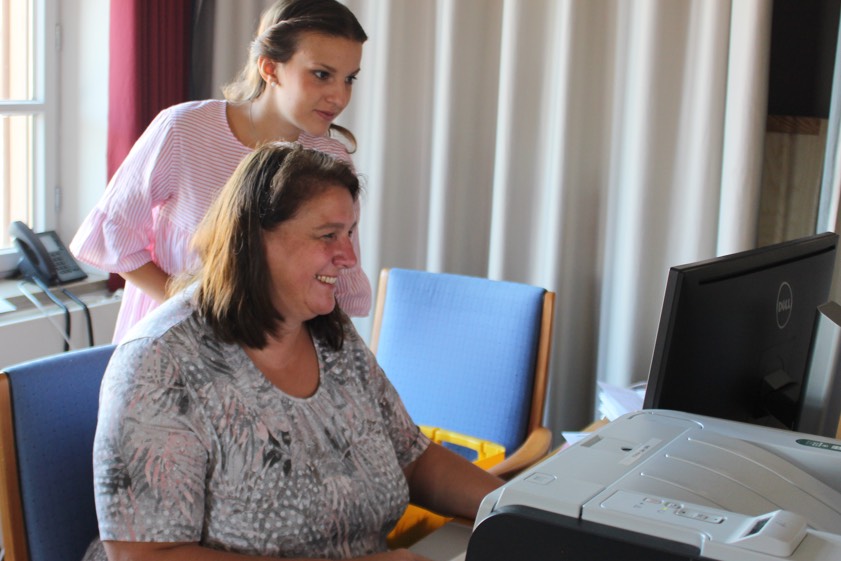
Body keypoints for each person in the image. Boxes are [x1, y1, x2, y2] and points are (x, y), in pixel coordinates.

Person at [88, 143, 503, 561]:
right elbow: (144, 555)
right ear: (255, 240)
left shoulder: (330, 333)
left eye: (350, 233)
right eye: (328, 236)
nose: (349, 257)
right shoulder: (161, 364)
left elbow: (412, 458)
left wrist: (517, 508)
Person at [70, 0, 371, 344]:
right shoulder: (184, 129)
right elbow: (112, 235)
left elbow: (339, 270)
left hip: (275, 350)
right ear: (270, 69)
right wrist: (194, 313)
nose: (339, 97)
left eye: (349, 79)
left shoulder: (331, 160)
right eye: (322, 74)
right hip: (172, 341)